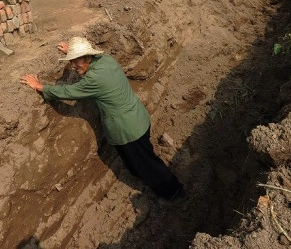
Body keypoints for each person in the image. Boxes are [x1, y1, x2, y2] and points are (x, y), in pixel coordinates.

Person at [21, 36, 185, 203]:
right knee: (142, 156)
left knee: (148, 164)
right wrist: (72, 53)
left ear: (87, 57)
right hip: (138, 117)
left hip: (127, 130)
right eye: (71, 61)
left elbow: (67, 92)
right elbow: (82, 65)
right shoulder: (106, 60)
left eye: (75, 61)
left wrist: (40, 87)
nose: (72, 66)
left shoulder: (94, 80)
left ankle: (173, 191)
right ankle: (144, 175)